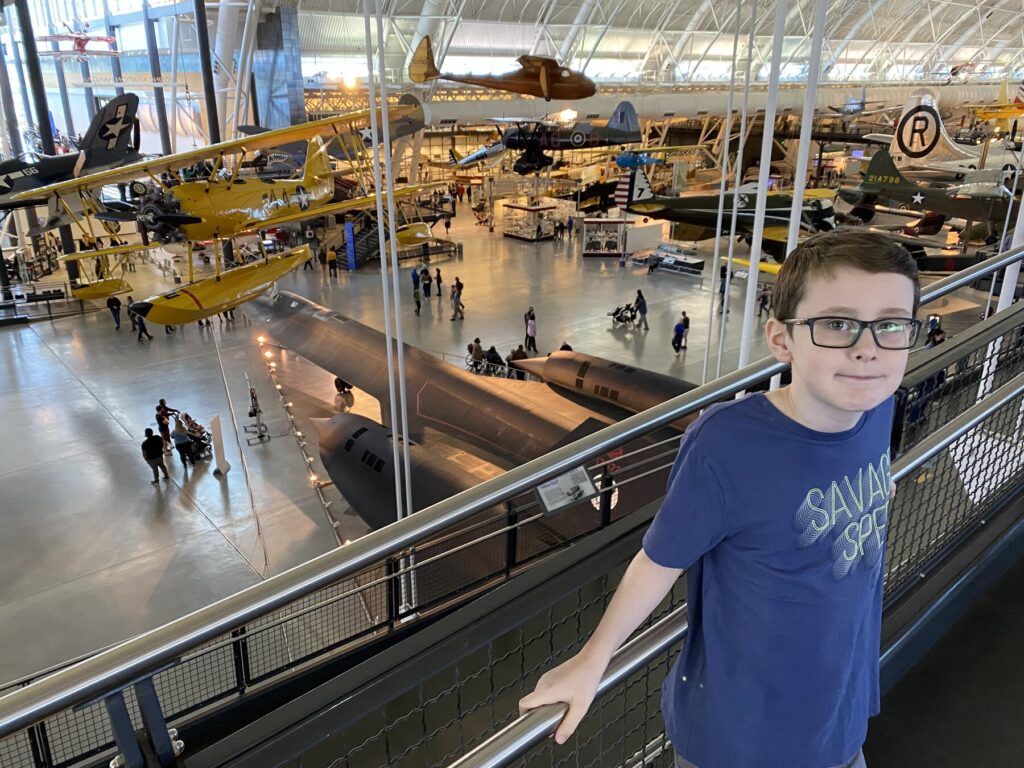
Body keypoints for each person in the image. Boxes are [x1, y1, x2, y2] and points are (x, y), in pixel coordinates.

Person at [520, 230, 920, 768]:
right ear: (781, 340)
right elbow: (660, 561)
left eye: (891, 324)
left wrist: (876, 490)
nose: (868, 348)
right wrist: (593, 659)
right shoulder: (728, 444)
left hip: (837, 718)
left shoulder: (876, 408)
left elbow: (857, 477)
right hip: (740, 737)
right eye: (837, 324)